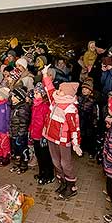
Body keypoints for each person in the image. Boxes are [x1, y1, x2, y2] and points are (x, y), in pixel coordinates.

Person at [42, 67, 82, 200]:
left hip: (63, 139)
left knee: (66, 163)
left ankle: (71, 186)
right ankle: (62, 182)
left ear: (67, 94)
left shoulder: (70, 108)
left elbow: (75, 127)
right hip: (51, 136)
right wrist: (45, 75)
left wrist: (76, 143)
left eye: (61, 90)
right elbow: (49, 89)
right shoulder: (55, 100)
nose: (58, 91)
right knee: (55, 161)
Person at [29, 83, 55, 185]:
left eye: (37, 93)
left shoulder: (45, 106)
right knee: (39, 155)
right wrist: (30, 131)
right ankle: (41, 172)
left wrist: (45, 135)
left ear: (43, 95)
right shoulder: (35, 105)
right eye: (34, 93)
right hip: (35, 134)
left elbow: (47, 122)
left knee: (45, 156)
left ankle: (49, 175)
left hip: (42, 136)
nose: (35, 95)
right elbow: (33, 120)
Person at [9, 87, 31, 175]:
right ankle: (17, 164)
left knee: (23, 150)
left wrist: (20, 135)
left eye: (14, 97)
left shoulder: (22, 109)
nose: (12, 98)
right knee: (16, 151)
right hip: (14, 133)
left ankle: (23, 166)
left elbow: (23, 123)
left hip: (20, 135)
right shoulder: (15, 107)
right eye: (12, 96)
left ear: (20, 98)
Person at [78, 78, 99, 159]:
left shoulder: (93, 101)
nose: (84, 90)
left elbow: (95, 113)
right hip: (81, 120)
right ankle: (82, 149)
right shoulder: (79, 97)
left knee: (90, 137)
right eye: (83, 88)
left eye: (86, 89)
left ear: (90, 91)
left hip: (89, 121)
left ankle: (92, 151)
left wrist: (95, 123)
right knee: (82, 135)